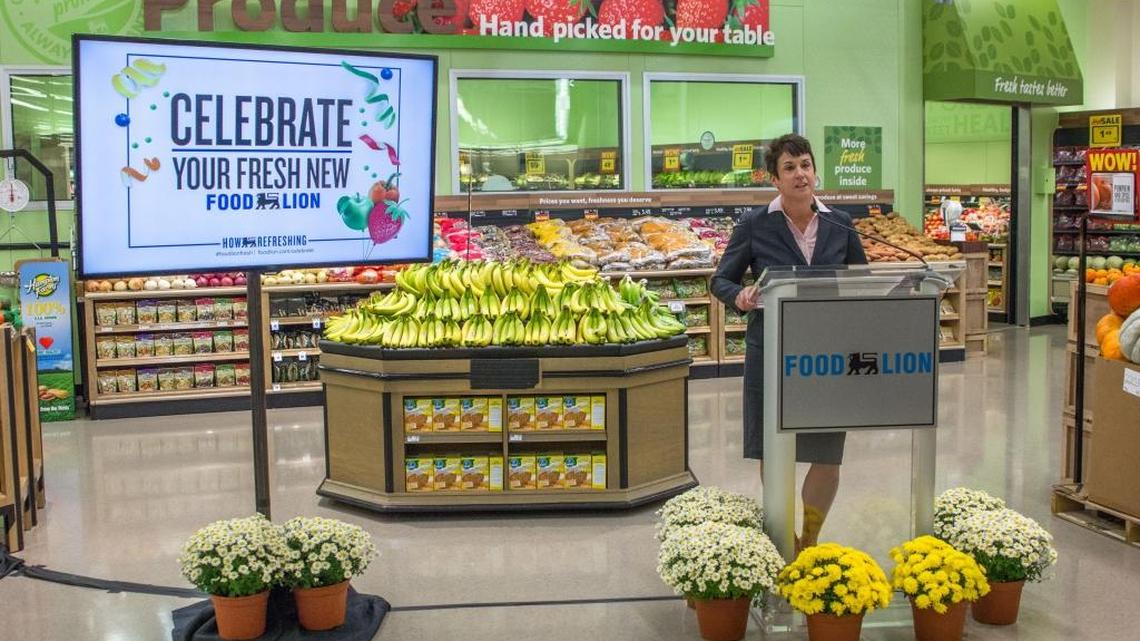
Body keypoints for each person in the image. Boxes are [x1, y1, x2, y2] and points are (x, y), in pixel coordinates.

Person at [711, 133, 867, 551]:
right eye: (790, 167)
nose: (800, 174)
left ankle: (809, 540)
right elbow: (721, 280)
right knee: (775, 449)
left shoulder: (840, 223)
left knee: (828, 454)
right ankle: (785, 536)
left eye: (806, 165)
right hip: (772, 352)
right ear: (774, 179)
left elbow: (861, 280)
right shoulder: (754, 224)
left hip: (828, 355)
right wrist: (740, 296)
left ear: (816, 171)